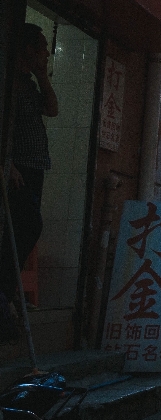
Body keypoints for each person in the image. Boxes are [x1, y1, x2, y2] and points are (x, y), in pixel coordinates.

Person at [1, 24, 58, 336]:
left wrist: (42, 76)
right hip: (16, 169)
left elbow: (53, 109)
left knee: (27, 226)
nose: (47, 53)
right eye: (41, 48)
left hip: (34, 168)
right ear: (27, 49)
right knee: (27, 224)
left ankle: (6, 295)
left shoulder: (29, 84)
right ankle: (5, 292)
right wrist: (7, 162)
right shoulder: (9, 83)